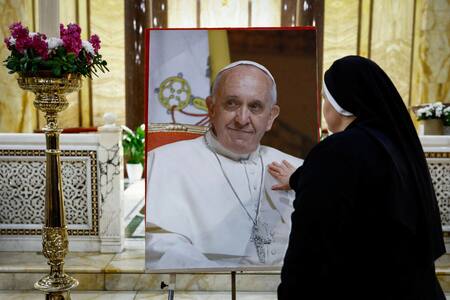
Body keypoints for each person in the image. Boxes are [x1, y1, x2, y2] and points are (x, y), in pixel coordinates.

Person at [272, 55, 445, 299]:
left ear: (339, 104)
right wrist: (299, 177)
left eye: (324, 99)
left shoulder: (337, 151)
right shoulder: (392, 143)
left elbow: (310, 244)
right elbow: (366, 189)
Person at [145, 60, 303, 270]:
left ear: (271, 117)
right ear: (211, 108)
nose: (242, 119)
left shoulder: (299, 171)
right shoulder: (165, 162)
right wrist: (225, 284)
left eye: (255, 107)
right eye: (232, 104)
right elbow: (159, 247)